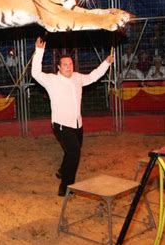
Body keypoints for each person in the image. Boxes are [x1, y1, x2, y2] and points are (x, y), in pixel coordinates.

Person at [31, 36, 114, 197]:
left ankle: (62, 171)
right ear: (58, 67)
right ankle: (66, 187)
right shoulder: (52, 80)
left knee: (72, 151)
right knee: (74, 153)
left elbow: (93, 76)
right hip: (61, 124)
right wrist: (39, 51)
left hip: (77, 124)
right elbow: (35, 73)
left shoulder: (77, 77)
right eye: (65, 65)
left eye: (70, 64)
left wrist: (106, 62)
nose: (68, 67)